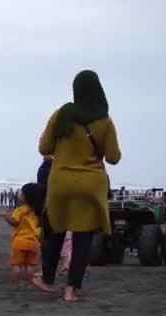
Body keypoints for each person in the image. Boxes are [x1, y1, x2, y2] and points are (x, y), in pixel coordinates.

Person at [34, 70, 121, 302]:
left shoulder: (62, 114)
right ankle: (71, 290)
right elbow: (113, 157)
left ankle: (47, 279)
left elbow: (44, 148)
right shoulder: (105, 120)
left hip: (61, 182)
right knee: (83, 238)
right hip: (90, 185)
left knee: (54, 230)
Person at [0, 183, 45, 288]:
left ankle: (14, 284)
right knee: (30, 266)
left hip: (19, 241)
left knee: (16, 266)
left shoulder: (20, 209)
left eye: (21, 193)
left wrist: (6, 216)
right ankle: (29, 284)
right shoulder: (38, 211)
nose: (19, 195)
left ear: (27, 197)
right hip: (33, 242)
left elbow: (14, 222)